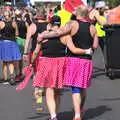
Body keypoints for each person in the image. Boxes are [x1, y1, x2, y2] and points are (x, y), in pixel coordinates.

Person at [37, 5, 98, 120]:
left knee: (75, 88)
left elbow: (57, 33)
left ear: (77, 14)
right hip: (87, 61)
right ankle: (80, 109)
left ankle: (77, 115)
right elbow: (95, 45)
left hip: (74, 59)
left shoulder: (72, 24)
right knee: (82, 87)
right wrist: (88, 49)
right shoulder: (92, 28)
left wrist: (44, 35)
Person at [0, 10, 21, 85]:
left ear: (3, 16)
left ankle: (6, 79)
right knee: (11, 61)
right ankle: (12, 76)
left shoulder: (1, 23)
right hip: (12, 43)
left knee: (5, 62)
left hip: (3, 43)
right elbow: (17, 34)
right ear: (10, 15)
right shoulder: (14, 23)